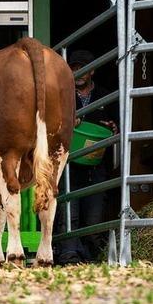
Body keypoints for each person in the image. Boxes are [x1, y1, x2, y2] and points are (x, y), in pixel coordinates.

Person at [54, 50, 119, 265]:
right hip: (68, 163)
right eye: (73, 68)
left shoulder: (105, 95)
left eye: (83, 67)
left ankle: (91, 258)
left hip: (96, 164)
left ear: (92, 70)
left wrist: (113, 127)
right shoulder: (61, 95)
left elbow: (116, 125)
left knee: (94, 215)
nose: (78, 72)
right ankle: (68, 255)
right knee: (69, 213)